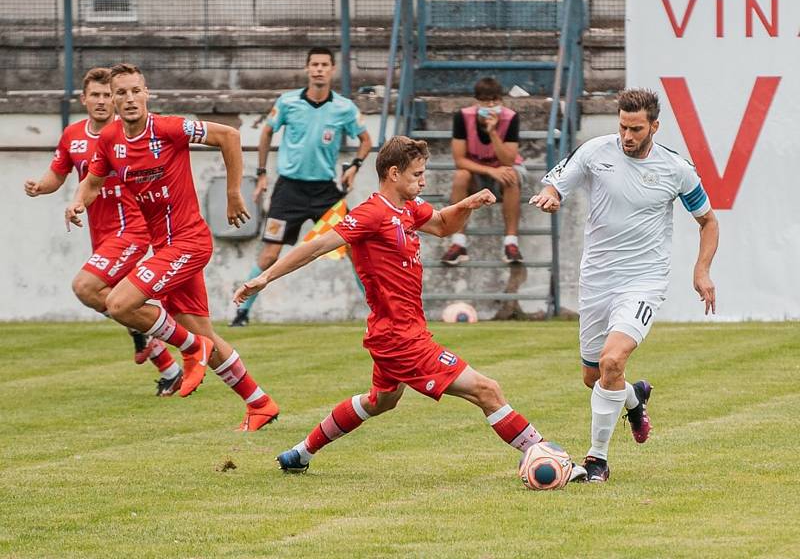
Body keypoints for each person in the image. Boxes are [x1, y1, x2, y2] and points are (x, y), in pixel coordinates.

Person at [234, 135, 586, 480]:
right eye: (417, 174)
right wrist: (264, 278)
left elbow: (445, 225)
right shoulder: (371, 214)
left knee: (380, 402)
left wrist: (467, 204)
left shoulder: (407, 209)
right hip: (400, 337)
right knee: (487, 390)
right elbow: (317, 246)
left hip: (398, 331)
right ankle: (547, 455)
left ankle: (299, 454)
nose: (423, 180)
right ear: (392, 174)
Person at [66, 63, 279, 430]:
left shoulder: (169, 127)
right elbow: (93, 180)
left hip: (188, 241)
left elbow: (228, 135)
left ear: (147, 93)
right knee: (204, 331)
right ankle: (259, 403)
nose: (129, 99)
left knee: (119, 303)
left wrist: (232, 193)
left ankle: (191, 349)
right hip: (165, 248)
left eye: (136, 91)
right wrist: (77, 201)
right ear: (114, 100)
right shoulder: (110, 140)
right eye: (122, 93)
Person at [530, 88, 719, 482]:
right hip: (597, 279)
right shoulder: (595, 152)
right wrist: (550, 197)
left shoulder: (675, 169)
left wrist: (701, 270)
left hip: (643, 281)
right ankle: (634, 398)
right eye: (622, 127)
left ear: (654, 126)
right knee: (594, 377)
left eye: (636, 129)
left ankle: (597, 460)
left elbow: (708, 221)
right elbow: (556, 184)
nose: (627, 136)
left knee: (612, 361)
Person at [25, 67, 180, 396]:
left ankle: (165, 331)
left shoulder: (125, 135)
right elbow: (58, 173)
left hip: (133, 231)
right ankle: (167, 365)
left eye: (107, 95)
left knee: (85, 286)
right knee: (114, 302)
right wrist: (41, 186)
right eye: (94, 95)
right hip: (102, 236)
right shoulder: (73, 136)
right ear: (83, 99)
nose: (101, 101)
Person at [229, 46, 372, 327]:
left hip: (325, 191)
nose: (319, 69)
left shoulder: (344, 107)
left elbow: (366, 140)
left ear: (332, 70)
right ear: (307, 69)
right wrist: (260, 173)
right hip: (289, 190)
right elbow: (267, 131)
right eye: (314, 64)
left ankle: (378, 313)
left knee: (355, 246)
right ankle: (242, 311)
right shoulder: (287, 102)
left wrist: (355, 166)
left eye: (324, 64)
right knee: (270, 254)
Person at [440, 77, 526, 265]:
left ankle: (511, 243)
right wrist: (489, 171)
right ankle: (458, 243)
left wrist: (493, 132)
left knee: (511, 176)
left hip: (503, 169)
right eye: (486, 101)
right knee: (460, 176)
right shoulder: (462, 117)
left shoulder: (510, 117)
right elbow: (459, 160)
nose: (491, 104)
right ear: (476, 102)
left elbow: (509, 160)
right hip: (476, 169)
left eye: (495, 100)